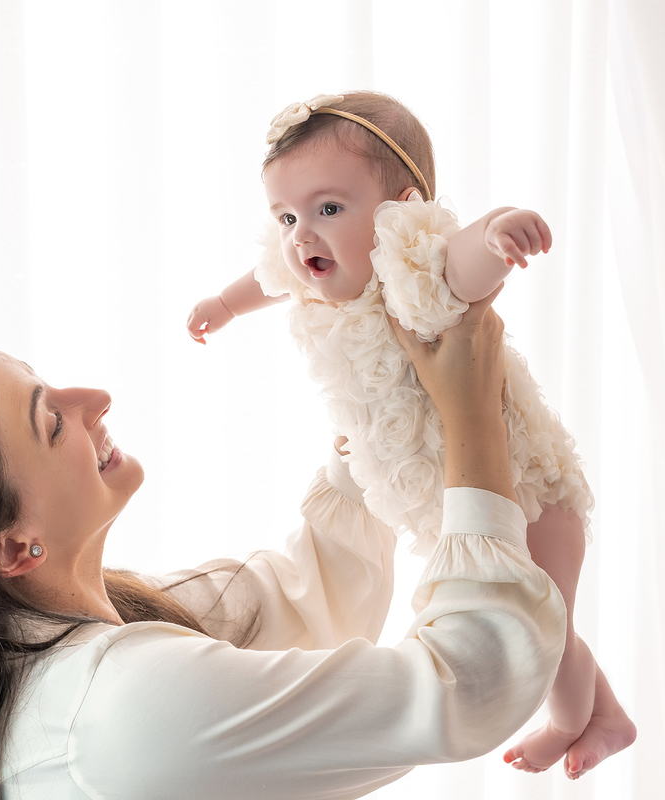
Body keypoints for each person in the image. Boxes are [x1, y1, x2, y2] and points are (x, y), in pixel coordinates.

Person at [0, 288, 563, 800]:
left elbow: (307, 590)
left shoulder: (74, 655)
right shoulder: (118, 712)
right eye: (51, 421)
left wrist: (382, 390)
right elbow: (469, 681)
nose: (94, 400)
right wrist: (472, 421)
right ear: (14, 547)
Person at [185, 91, 636, 778]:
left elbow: (459, 265)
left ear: (401, 212)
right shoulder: (307, 268)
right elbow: (269, 277)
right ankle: (605, 715)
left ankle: (578, 721)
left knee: (547, 634)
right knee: (548, 618)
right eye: (287, 215)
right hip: (463, 501)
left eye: (328, 208)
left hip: (527, 498)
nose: (302, 234)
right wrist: (224, 304)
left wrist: (493, 235)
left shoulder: (412, 271)